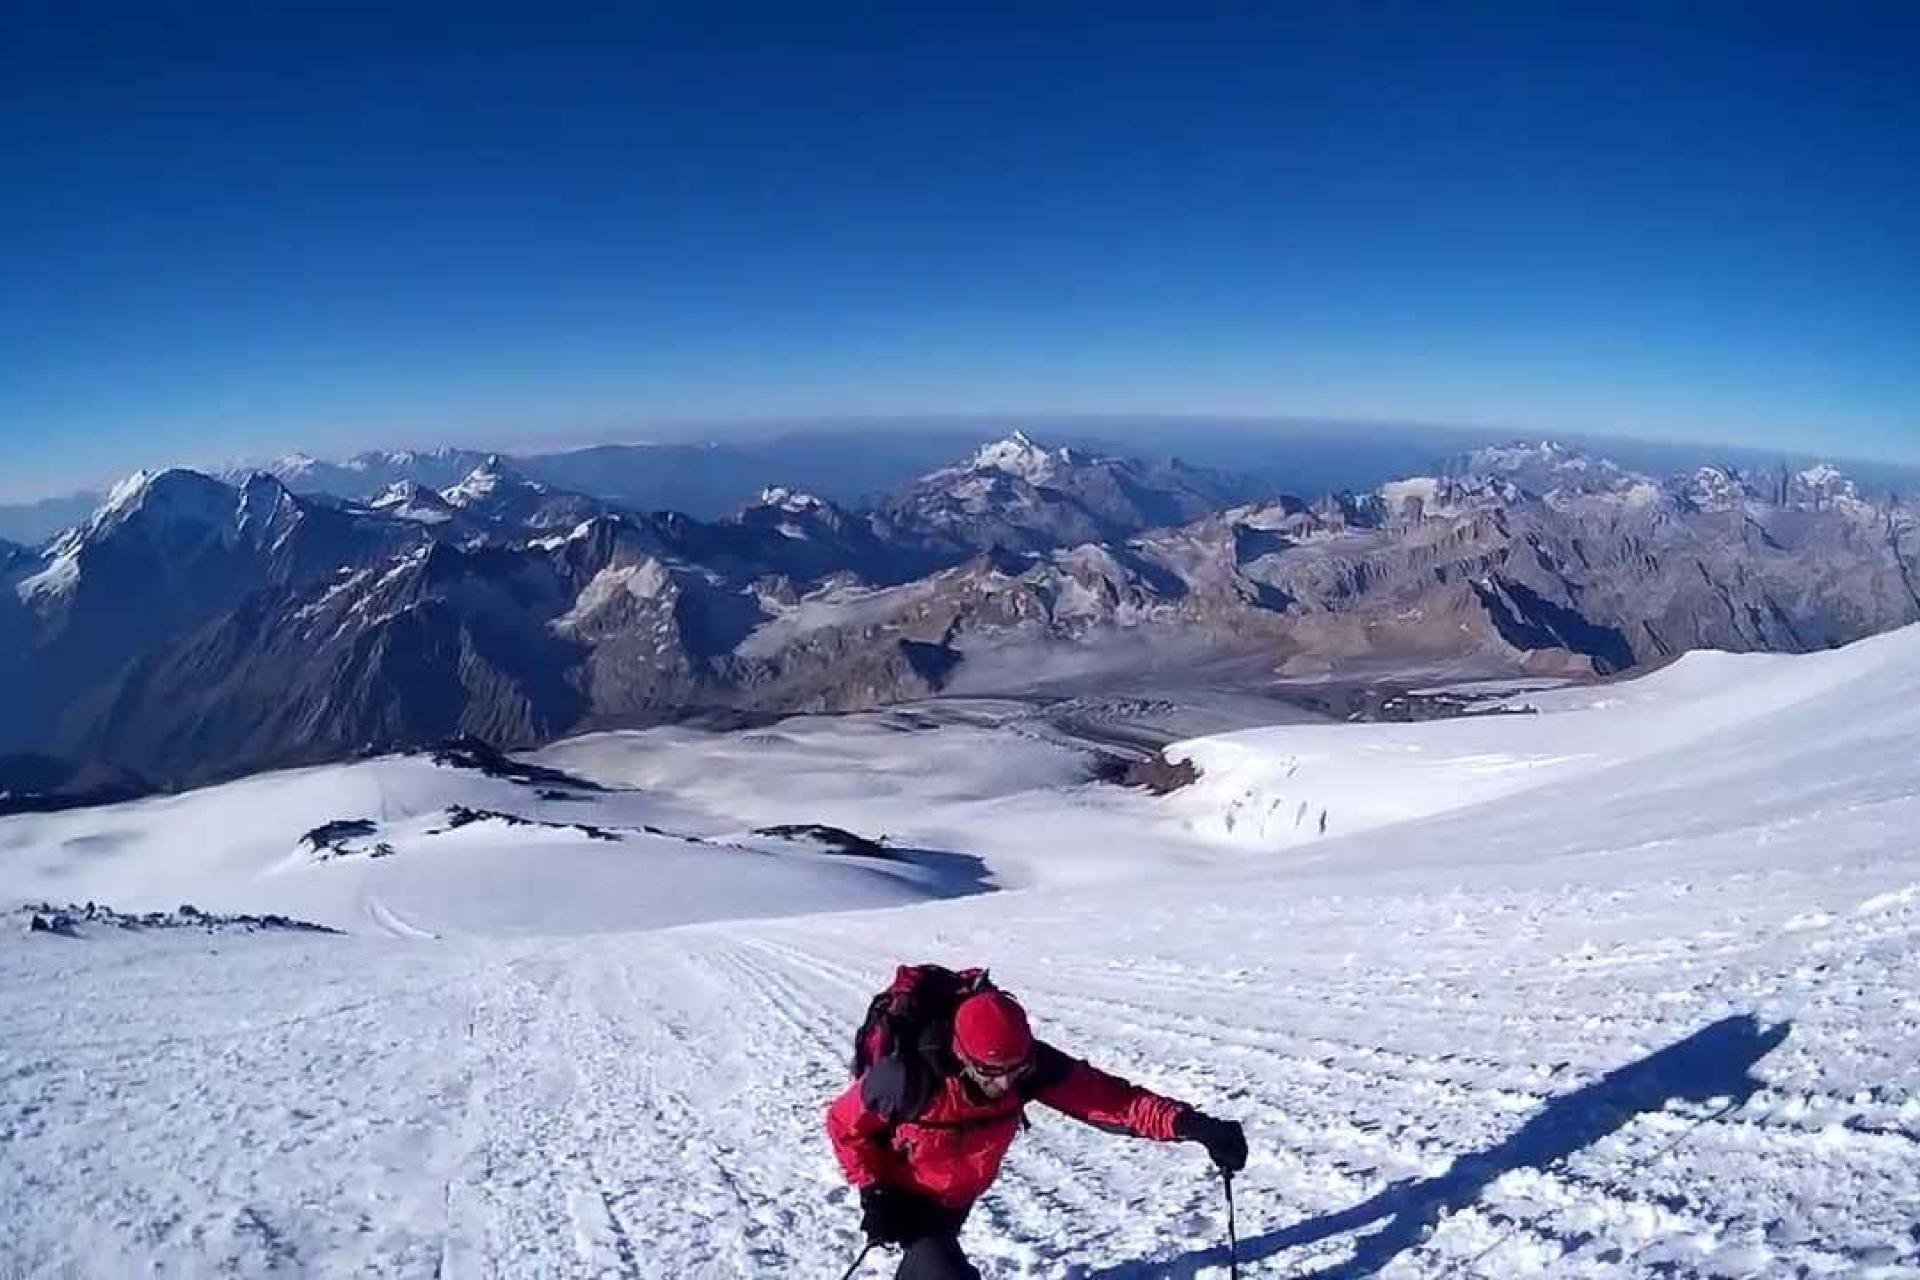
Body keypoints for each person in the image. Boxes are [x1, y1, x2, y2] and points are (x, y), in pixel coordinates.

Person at [826, 986, 1248, 1279]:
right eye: (994, 1072)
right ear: (961, 1054)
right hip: (906, 1195)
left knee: (936, 1258)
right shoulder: (906, 1078)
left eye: (1017, 1069)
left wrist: (1194, 1125)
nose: (1008, 1083)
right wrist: (875, 1191)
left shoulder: (1030, 1066)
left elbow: (1114, 1102)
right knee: (940, 1265)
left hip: (961, 1192)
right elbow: (844, 1124)